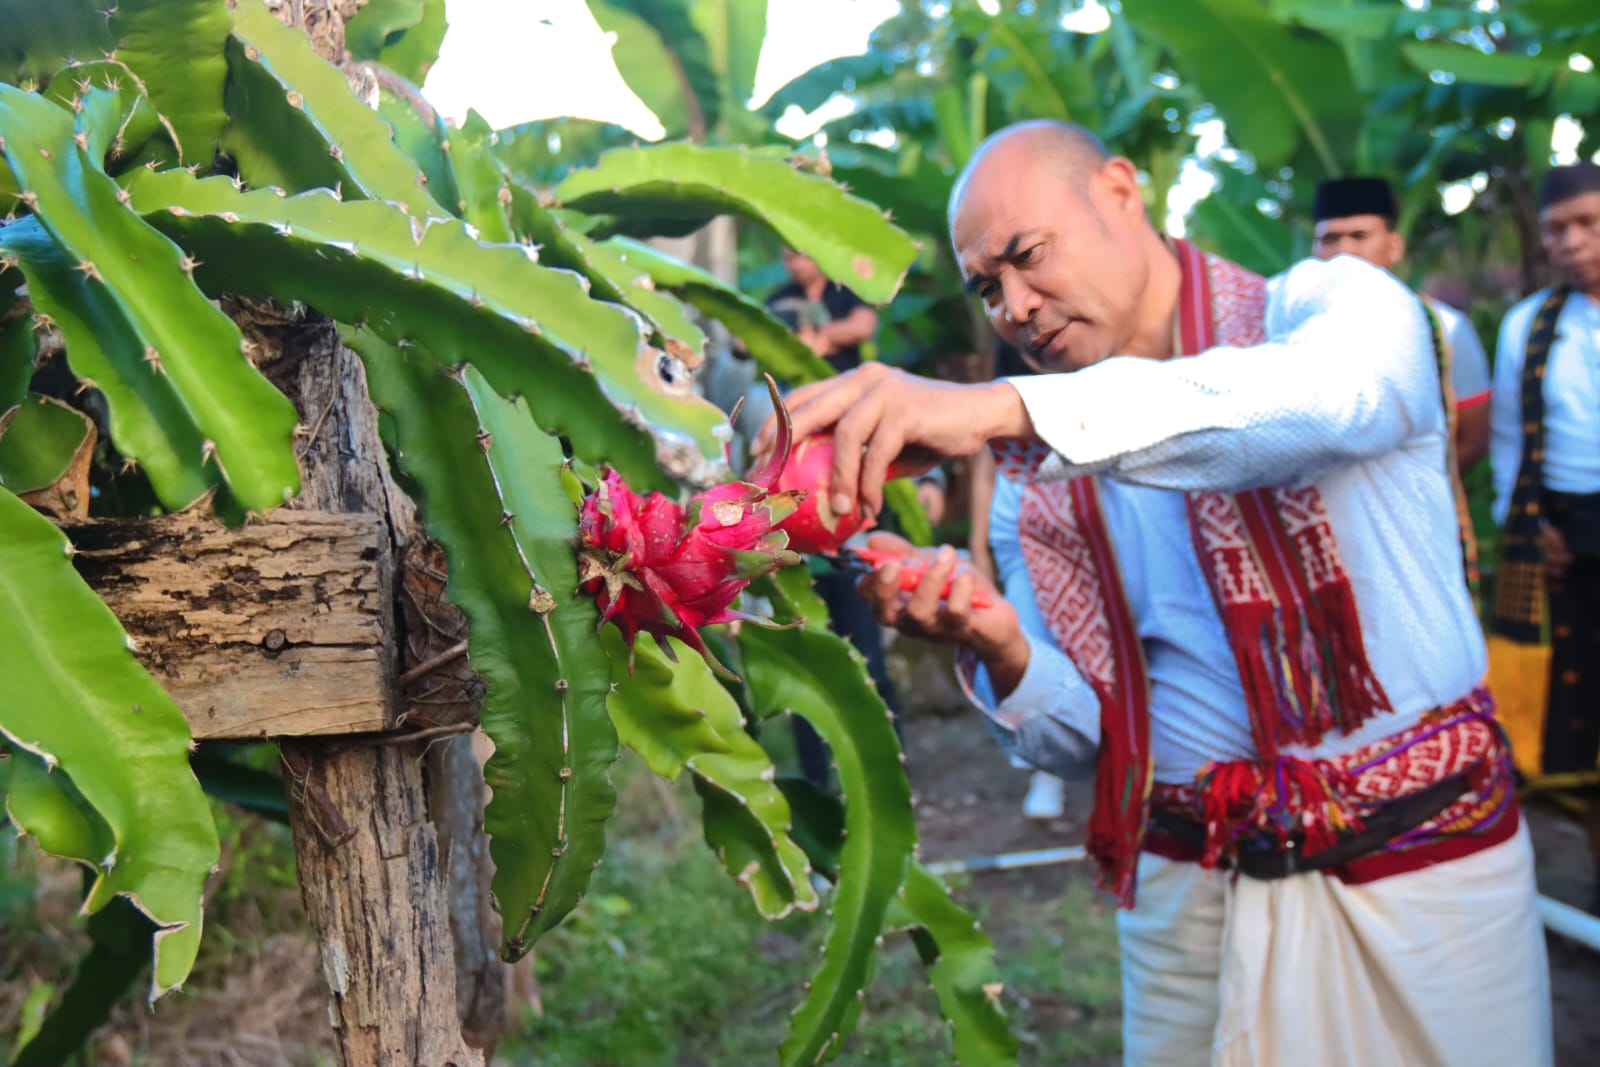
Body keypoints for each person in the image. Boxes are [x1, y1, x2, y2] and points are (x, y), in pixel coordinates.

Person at [759, 120, 1548, 1066]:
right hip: (1190, 900)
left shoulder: (1333, 305)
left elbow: (1336, 400)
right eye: (987, 286)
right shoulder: (1038, 481)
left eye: (1026, 256)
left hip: (1424, 882)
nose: (1013, 306)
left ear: (1122, 194)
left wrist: (1003, 406)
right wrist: (1000, 647)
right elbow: (1083, 738)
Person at [1488, 161, 1600, 913]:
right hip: (1561, 537)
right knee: (1581, 728)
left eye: (1588, 223)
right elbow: (1506, 442)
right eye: (1557, 229)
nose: (1570, 241)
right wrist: (1526, 526)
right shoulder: (1529, 323)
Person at [1312, 176, 1491, 589]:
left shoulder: (1444, 328)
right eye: (1329, 239)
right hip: (1325, 534)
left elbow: (1473, 439)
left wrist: (1399, 490)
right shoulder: (1290, 335)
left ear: (1393, 245)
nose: (1344, 253)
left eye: (1360, 236)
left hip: (1419, 522)